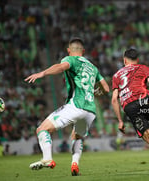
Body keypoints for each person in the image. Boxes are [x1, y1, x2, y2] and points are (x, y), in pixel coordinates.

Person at [25, 37, 109, 176]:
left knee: (42, 129)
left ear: (69, 50)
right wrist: (95, 91)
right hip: (90, 111)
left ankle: (47, 159)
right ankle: (75, 164)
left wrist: (43, 73)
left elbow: (60, 67)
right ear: (84, 51)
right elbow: (105, 89)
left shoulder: (70, 59)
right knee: (77, 136)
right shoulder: (93, 67)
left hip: (76, 105)